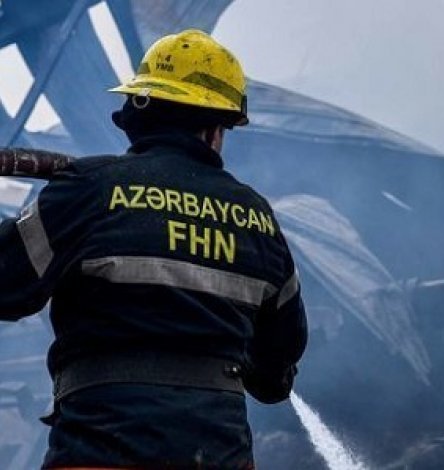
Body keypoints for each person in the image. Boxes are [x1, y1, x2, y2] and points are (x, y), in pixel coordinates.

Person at [0, 29, 307, 469]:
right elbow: (276, 374)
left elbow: (6, 284)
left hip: (100, 454)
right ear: (216, 129)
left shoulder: (90, 190)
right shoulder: (257, 219)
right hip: (219, 456)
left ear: (138, 112)